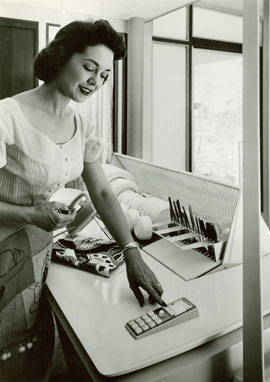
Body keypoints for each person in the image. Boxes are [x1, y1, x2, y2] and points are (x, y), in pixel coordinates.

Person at [0, 19, 164, 380]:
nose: (95, 81)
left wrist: (131, 251)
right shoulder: (7, 116)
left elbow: (103, 191)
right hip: (2, 248)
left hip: (39, 251)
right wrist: (30, 213)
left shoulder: (82, 126)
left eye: (104, 75)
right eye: (90, 67)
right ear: (61, 57)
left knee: (32, 342)